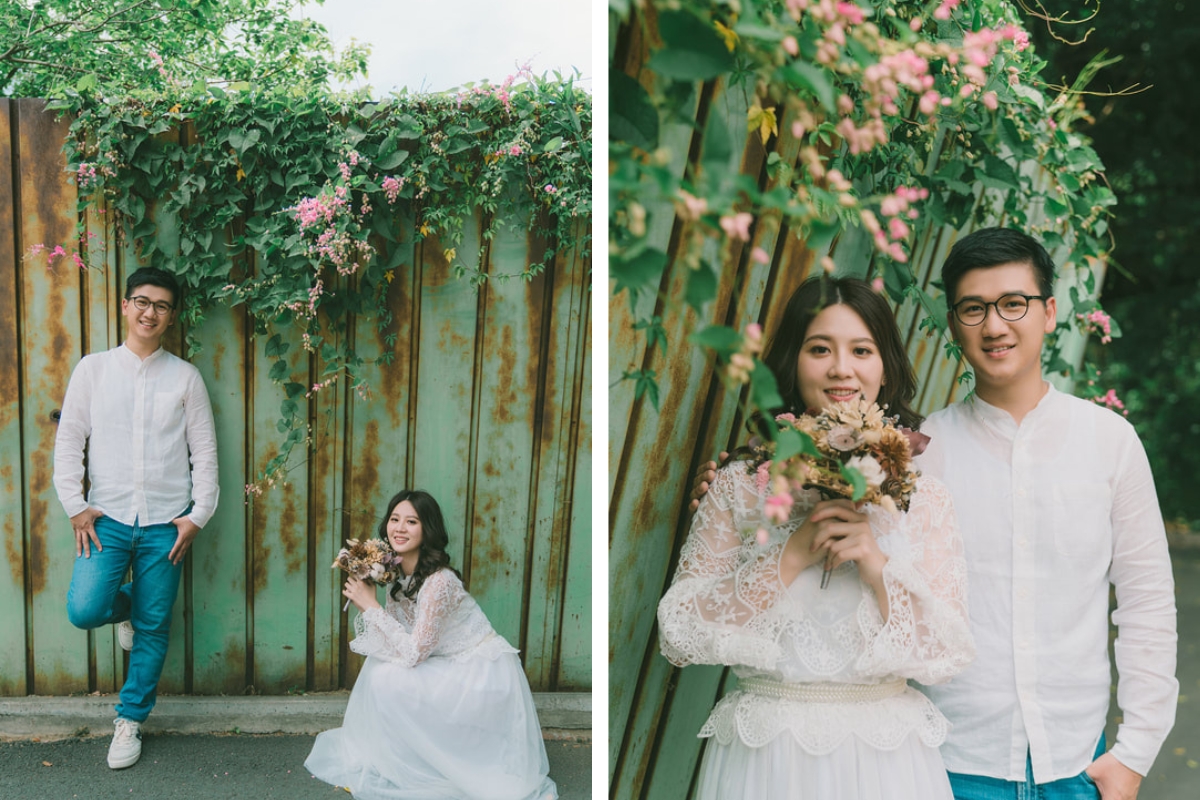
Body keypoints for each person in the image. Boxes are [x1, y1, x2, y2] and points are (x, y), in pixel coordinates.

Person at [659, 277, 975, 800]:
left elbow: (948, 651)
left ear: (885, 365)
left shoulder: (926, 497)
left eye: (861, 350)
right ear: (792, 359)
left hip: (885, 758)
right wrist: (790, 554)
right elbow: (680, 627)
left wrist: (876, 565)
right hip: (767, 757)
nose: (841, 368)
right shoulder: (741, 484)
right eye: (819, 348)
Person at [915, 227, 1177, 800]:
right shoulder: (924, 451)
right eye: (974, 308)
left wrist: (1134, 754)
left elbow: (1147, 601)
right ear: (955, 322)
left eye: (1014, 303)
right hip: (950, 766)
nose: (994, 325)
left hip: (1078, 766)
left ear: (1049, 312)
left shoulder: (1110, 441)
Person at [52, 266, 219, 770]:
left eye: (162, 306)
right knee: (84, 608)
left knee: (154, 624)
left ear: (171, 316)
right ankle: (125, 610)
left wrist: (198, 515)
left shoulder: (185, 377)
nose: (150, 312)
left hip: (167, 524)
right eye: (142, 302)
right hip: (107, 518)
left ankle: (130, 719)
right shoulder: (93, 369)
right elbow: (69, 440)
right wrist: (75, 505)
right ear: (125, 306)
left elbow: (204, 453)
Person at [305, 489, 558, 800]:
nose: (399, 528)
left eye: (411, 521)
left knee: (388, 674)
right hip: (445, 661)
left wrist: (370, 606)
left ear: (428, 530)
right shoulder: (395, 574)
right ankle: (405, 758)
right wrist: (371, 597)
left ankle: (430, 762)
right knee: (380, 667)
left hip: (479, 671)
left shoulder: (440, 581)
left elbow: (413, 652)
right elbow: (398, 638)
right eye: (395, 519)